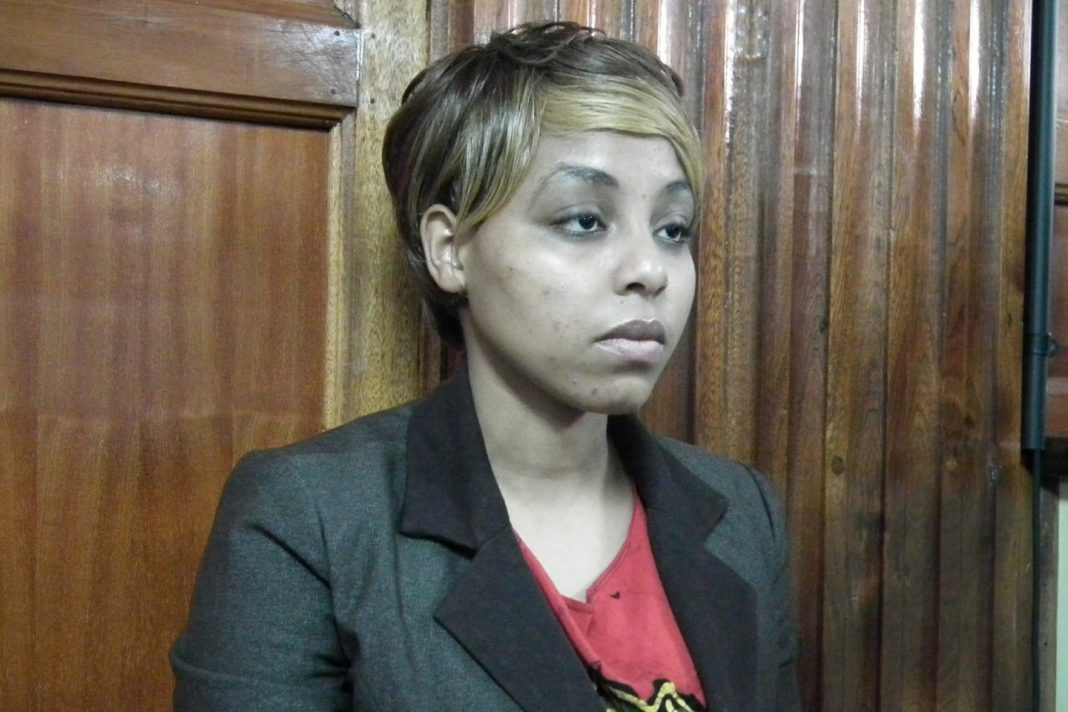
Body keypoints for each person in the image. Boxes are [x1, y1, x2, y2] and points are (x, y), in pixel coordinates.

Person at [171, 22, 801, 712]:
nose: (650, 270)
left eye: (672, 229)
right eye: (585, 221)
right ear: (450, 250)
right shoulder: (311, 517)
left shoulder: (742, 513)